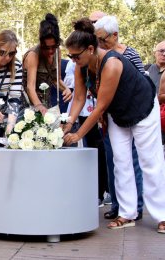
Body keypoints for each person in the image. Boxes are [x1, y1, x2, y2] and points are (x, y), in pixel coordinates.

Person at [63, 18, 165, 233]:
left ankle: (162, 215)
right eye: (70, 56)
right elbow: (79, 99)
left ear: (91, 49)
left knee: (149, 161)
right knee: (120, 161)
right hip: (117, 112)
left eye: (76, 56)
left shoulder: (112, 63)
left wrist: (78, 134)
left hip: (141, 106)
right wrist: (69, 122)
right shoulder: (80, 66)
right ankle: (127, 213)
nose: (72, 60)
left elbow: (99, 107)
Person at [94, 15, 145, 220]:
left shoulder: (131, 54)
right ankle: (117, 205)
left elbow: (141, 84)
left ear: (114, 35)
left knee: (133, 162)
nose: (100, 43)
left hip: (131, 116)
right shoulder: (100, 56)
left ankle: (137, 206)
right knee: (112, 161)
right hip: (109, 117)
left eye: (103, 39)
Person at [22, 13, 72, 114]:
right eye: (46, 48)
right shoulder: (33, 55)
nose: (50, 51)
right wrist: (40, 107)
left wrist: (66, 89)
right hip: (29, 108)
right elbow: (30, 87)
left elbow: (55, 79)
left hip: (46, 105)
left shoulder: (57, 51)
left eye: (53, 46)